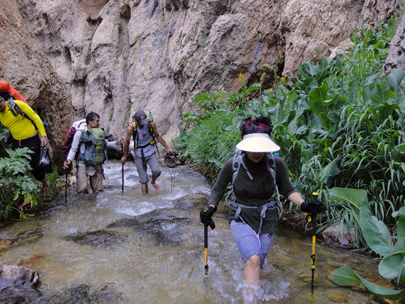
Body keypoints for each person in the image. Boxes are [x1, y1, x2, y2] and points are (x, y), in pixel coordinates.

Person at [199, 116, 322, 288]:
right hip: (241, 217)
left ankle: (249, 279)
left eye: (260, 149)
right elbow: (218, 189)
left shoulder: (275, 164)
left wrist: (304, 205)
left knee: (259, 261)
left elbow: (287, 189)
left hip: (268, 218)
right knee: (253, 258)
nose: (257, 153)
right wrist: (210, 208)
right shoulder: (233, 164)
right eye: (253, 149)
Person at [0, 92, 50, 208]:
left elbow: (35, 117)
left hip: (31, 139)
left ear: (1, 100)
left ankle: (44, 182)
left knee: (34, 165)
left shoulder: (17, 105)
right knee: (16, 169)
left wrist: (43, 135)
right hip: (17, 142)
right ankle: (28, 196)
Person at [64, 112, 119, 194]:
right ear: (90, 121)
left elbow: (107, 144)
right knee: (82, 189)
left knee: (99, 190)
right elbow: (73, 149)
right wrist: (69, 160)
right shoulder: (79, 133)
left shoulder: (99, 133)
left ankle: (96, 206)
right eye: (97, 121)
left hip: (96, 163)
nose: (98, 123)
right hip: (82, 163)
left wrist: (117, 143)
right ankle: (84, 206)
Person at [121, 110, 173, 194]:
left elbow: (157, 136)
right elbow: (126, 142)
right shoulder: (131, 128)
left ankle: (153, 182)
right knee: (143, 180)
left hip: (150, 151)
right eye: (140, 122)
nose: (143, 124)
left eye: (143, 121)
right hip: (138, 154)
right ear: (135, 121)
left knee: (157, 171)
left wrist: (167, 147)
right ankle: (146, 200)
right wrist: (125, 156)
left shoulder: (151, 124)